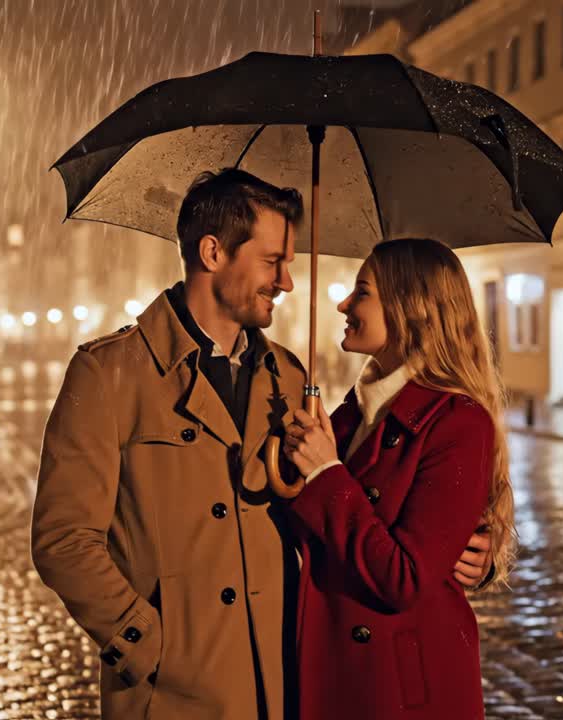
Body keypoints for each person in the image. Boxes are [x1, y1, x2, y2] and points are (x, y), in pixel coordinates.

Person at [31, 170, 493, 720]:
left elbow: (360, 512)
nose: (287, 282)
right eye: (273, 261)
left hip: (285, 684)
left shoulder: (289, 379)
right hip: (173, 696)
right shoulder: (108, 373)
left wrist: (470, 552)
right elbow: (64, 539)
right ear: (213, 252)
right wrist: (147, 642)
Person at [283, 238, 516, 720]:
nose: (344, 304)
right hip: (341, 671)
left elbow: (403, 578)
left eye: (361, 292)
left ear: (411, 309)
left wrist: (326, 473)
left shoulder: (456, 421)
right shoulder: (350, 415)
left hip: (401, 689)